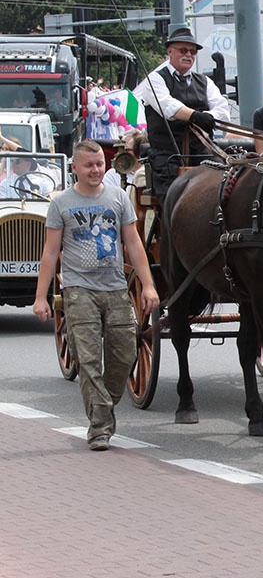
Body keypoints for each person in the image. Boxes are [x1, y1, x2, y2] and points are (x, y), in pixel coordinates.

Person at [32, 140, 159, 451]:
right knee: (88, 361)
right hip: (78, 292)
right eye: (88, 165)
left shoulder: (117, 199)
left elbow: (133, 243)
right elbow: (50, 252)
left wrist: (148, 285)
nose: (95, 169)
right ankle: (100, 427)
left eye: (100, 163)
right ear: (74, 167)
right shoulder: (61, 203)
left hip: (115, 289)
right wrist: (40, 297)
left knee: (125, 354)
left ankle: (104, 407)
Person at [138, 27, 229, 203]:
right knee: (173, 201)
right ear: (169, 51)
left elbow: (223, 112)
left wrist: (206, 116)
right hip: (167, 155)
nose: (188, 55)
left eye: (192, 52)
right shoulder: (154, 80)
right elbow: (168, 107)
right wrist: (196, 116)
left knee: (226, 188)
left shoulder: (205, 82)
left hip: (202, 152)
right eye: (183, 50)